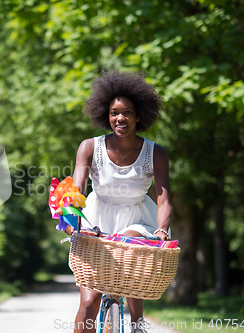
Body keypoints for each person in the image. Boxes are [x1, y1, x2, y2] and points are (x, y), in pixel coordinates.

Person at [65, 70, 172, 333]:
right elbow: (76, 186)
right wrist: (70, 218)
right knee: (89, 303)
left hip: (137, 220)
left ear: (139, 116)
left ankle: (137, 325)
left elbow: (164, 197)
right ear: (106, 115)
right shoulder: (89, 147)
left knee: (131, 250)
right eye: (114, 112)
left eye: (127, 112)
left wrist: (161, 230)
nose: (120, 118)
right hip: (97, 218)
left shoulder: (155, 153)